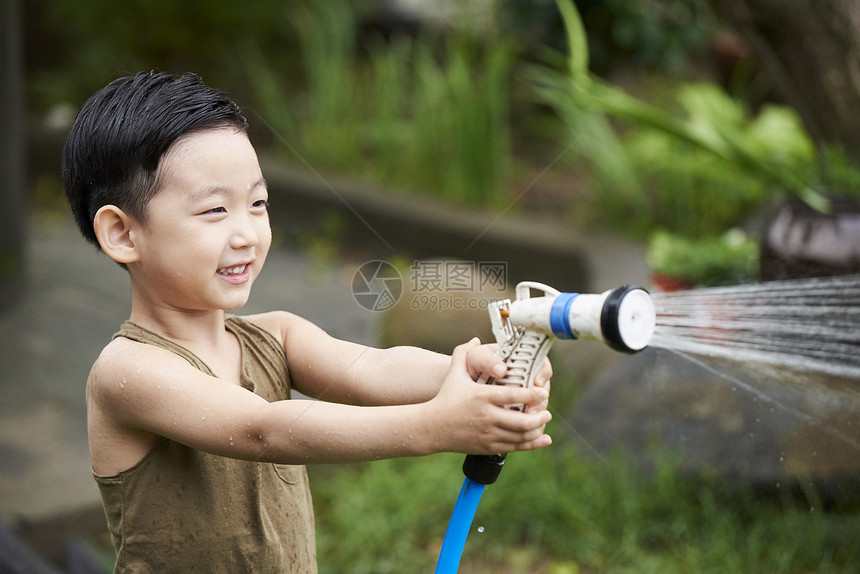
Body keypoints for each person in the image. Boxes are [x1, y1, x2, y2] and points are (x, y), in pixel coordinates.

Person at [62, 71, 552, 573]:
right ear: (122, 233)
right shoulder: (128, 372)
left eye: (257, 203)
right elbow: (263, 431)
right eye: (214, 210)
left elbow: (372, 368)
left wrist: (475, 370)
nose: (247, 233)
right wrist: (434, 427)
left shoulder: (277, 335)